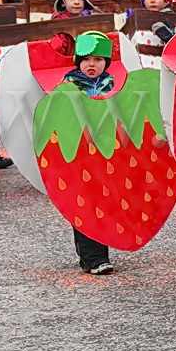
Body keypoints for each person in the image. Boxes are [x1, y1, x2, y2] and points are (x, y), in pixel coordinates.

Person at [61, 31, 116, 274]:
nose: (91, 65)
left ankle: (94, 254)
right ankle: (93, 258)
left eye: (98, 60)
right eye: (86, 59)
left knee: (103, 201)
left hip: (106, 153)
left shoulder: (114, 84)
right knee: (84, 203)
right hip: (78, 153)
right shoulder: (67, 86)